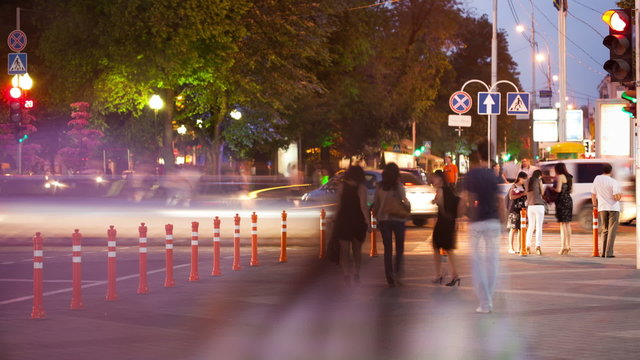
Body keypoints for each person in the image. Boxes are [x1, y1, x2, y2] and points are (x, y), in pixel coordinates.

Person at [459, 140, 503, 313]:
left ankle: (485, 303)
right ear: (491, 155)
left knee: (477, 264)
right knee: (492, 263)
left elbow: (464, 199)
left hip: (477, 223)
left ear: (478, 154)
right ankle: (488, 299)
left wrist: (458, 215)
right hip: (493, 222)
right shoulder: (494, 176)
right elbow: (500, 202)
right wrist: (504, 223)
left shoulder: (472, 175)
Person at [331, 165, 370, 285]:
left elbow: (338, 206)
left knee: (345, 251)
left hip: (343, 221)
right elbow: (364, 207)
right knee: (357, 250)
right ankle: (357, 273)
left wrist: (334, 219)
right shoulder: (361, 188)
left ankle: (346, 274)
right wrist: (368, 222)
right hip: (358, 221)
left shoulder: (341, 187)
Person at [373, 162, 409, 287]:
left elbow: (376, 204)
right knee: (399, 248)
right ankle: (397, 273)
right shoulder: (398, 186)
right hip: (398, 219)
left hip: (384, 221)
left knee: (387, 249)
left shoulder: (379, 186)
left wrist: (376, 217)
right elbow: (404, 200)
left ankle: (389, 277)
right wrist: (408, 207)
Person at [431, 170, 460, 286]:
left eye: (434, 178)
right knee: (448, 248)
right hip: (450, 222)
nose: (432, 180)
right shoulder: (450, 190)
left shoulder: (440, 190)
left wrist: (434, 201)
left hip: (443, 222)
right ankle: (454, 274)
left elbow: (441, 205)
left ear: (440, 179)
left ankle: (439, 274)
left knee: (436, 247)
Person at [591, 163, 622, 258]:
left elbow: (593, 193)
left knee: (604, 229)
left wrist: (594, 205)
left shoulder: (597, 179)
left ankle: (603, 252)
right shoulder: (613, 181)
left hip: (602, 207)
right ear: (611, 171)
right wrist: (619, 196)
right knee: (612, 230)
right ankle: (609, 253)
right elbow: (616, 197)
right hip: (613, 208)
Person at [553, 162, 573, 255]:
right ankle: (568, 245)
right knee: (568, 224)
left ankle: (562, 247)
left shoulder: (560, 176)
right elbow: (572, 190)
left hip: (561, 200)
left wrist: (552, 189)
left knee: (562, 225)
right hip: (568, 199)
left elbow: (558, 190)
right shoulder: (570, 177)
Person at [507, 172, 528, 254]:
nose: (525, 180)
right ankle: (511, 248)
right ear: (520, 178)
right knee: (513, 229)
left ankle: (520, 247)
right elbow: (511, 197)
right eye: (524, 179)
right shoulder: (514, 186)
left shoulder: (523, 186)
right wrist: (522, 194)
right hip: (514, 210)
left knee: (521, 229)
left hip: (522, 210)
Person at [525, 169, 545, 255]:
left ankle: (527, 246)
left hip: (530, 206)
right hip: (539, 205)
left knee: (530, 226)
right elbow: (542, 192)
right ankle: (538, 247)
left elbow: (526, 192)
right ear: (539, 175)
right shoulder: (539, 180)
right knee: (539, 227)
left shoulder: (527, 181)